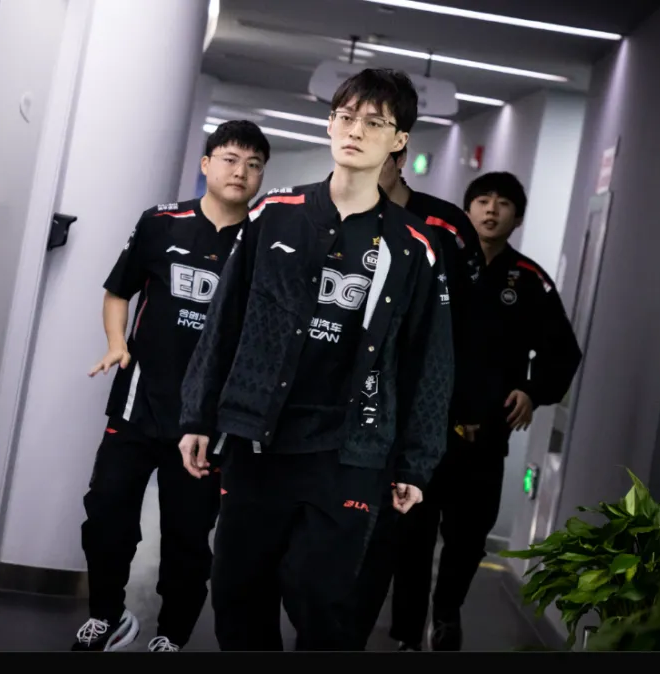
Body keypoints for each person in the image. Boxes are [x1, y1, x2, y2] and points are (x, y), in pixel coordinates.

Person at [177, 68, 454, 651]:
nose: (355, 131)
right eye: (346, 117)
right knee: (236, 590)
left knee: (322, 599)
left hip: (348, 449)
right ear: (330, 124)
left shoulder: (413, 246)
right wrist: (198, 415)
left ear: (399, 139)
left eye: (374, 122)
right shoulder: (273, 214)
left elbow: (431, 363)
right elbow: (225, 320)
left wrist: (416, 463)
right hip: (259, 436)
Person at [71, 121, 271, 652]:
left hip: (207, 422)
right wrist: (117, 343)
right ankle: (106, 616)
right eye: (230, 159)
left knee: (187, 536)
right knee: (106, 513)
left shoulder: (264, 242)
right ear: (206, 164)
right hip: (139, 404)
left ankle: (171, 636)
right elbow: (118, 292)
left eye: (253, 165)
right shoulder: (161, 223)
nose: (241, 172)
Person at [383, 171, 582, 651]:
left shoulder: (530, 281)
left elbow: (563, 352)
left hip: (484, 437)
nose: (492, 210)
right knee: (411, 536)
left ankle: (446, 611)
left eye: (503, 204)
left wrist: (532, 391)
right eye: (482, 200)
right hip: (423, 433)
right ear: (466, 210)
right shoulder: (436, 261)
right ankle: (407, 633)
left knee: (469, 537)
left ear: (517, 218)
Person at [350, 148, 485, 650]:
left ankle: (406, 635)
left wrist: (463, 407)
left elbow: (467, 327)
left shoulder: (445, 227)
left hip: (419, 404)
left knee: (411, 526)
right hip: (352, 403)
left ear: (400, 154)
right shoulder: (344, 214)